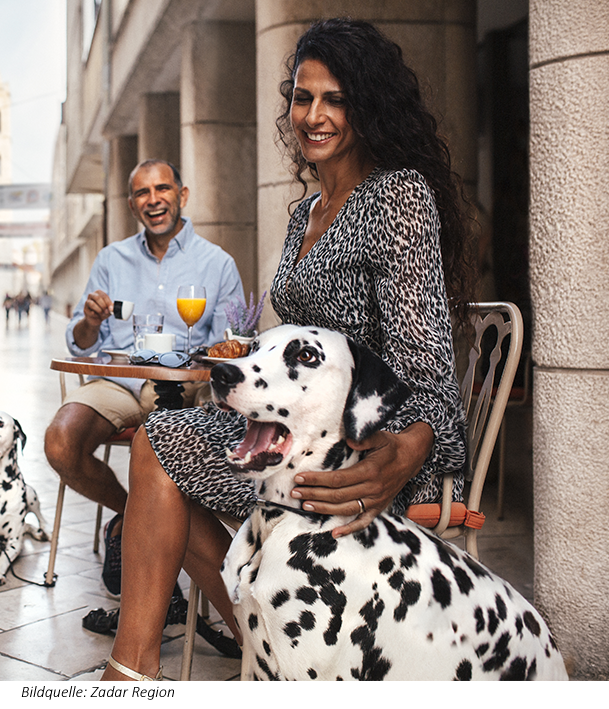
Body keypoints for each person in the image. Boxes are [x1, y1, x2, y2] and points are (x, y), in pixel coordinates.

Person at [100, 18, 476, 681]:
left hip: (362, 449)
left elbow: (431, 382)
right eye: (303, 98)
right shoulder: (305, 212)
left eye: (335, 98)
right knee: (155, 444)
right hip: (286, 433)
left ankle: (189, 654)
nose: (315, 114)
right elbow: (301, 341)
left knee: (159, 456)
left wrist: (406, 451)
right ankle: (151, 664)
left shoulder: (397, 197)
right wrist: (247, 352)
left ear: (367, 104)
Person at [44, 159, 243, 599]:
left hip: (186, 388)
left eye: (162, 189)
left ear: (182, 195)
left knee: (151, 448)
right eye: (142, 193)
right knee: (61, 442)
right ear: (132, 204)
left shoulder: (217, 264)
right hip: (120, 381)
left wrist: (202, 361)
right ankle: (132, 514)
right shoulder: (110, 260)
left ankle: (145, 536)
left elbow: (227, 348)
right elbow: (79, 340)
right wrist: (91, 322)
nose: (153, 200)